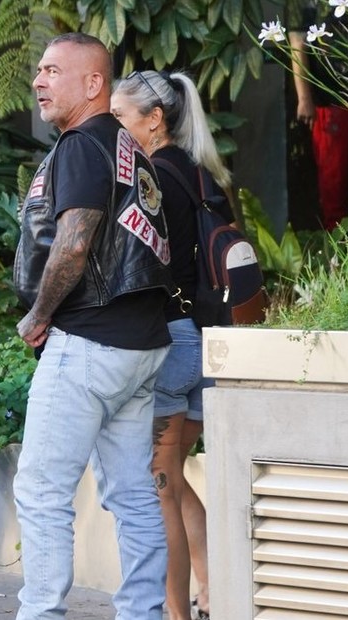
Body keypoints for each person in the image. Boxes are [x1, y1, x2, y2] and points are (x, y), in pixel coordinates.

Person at [12, 33, 173, 619]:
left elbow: (75, 242)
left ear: (93, 84)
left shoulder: (82, 145)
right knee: (133, 495)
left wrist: (39, 314)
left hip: (89, 342)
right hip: (140, 344)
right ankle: (143, 613)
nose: (39, 80)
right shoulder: (129, 146)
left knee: (41, 491)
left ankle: (41, 614)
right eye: (39, 70)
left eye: (53, 70)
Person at [112, 69, 232, 620]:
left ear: (154, 119)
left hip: (173, 344)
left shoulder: (154, 176)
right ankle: (213, 592)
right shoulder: (199, 170)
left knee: (158, 487)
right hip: (212, 344)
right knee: (174, 481)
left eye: (120, 117)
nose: (114, 127)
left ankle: (175, 613)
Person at [291, 3, 348, 230]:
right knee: (334, 184)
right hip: (333, 102)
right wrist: (304, 97)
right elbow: (298, 41)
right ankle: (337, 243)